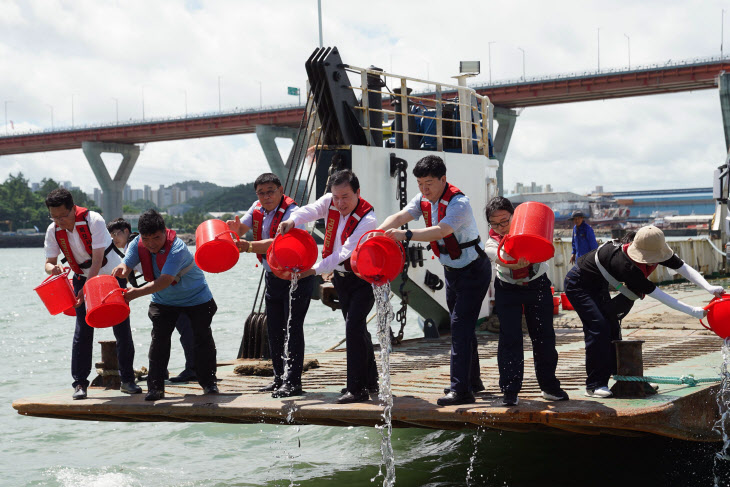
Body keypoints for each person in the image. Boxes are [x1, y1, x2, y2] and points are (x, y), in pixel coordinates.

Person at [378, 155, 489, 406]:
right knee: (462, 326)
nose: (424, 189)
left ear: (443, 179)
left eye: (429, 183)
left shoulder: (459, 203)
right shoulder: (423, 200)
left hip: (473, 270)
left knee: (459, 327)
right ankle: (473, 381)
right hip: (452, 271)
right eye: (420, 184)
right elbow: (399, 217)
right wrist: (378, 234)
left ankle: (460, 391)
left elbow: (441, 232)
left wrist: (405, 235)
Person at [564, 225, 724, 398]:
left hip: (598, 284)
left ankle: (627, 379)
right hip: (578, 284)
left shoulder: (654, 248)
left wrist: (709, 287)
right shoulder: (626, 266)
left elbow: (683, 267)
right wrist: (692, 311)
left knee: (613, 328)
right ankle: (594, 385)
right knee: (598, 327)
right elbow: (659, 295)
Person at [278, 169, 378, 404]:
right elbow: (311, 210)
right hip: (342, 279)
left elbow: (343, 254)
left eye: (345, 197)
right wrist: (293, 220)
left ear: (358, 193)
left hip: (363, 278)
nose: (340, 203)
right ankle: (370, 381)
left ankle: (357, 388)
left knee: (353, 328)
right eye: (335, 197)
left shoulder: (367, 219)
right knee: (358, 329)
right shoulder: (331, 201)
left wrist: (312, 270)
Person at [43, 188, 141, 399]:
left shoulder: (93, 220)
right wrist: (54, 269)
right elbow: (48, 263)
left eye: (63, 215)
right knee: (83, 331)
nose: (59, 220)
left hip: (111, 274)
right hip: (81, 277)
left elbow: (97, 259)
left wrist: (88, 290)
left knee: (121, 327)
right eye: (54, 216)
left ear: (73, 209)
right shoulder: (53, 230)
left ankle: (127, 380)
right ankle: (79, 383)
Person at [112, 209, 219, 401]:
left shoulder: (177, 249)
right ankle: (156, 388)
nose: (151, 244)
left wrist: (136, 294)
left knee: (202, 341)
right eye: (146, 238)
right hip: (164, 302)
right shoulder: (137, 243)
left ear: (165, 232)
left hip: (196, 299)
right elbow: (127, 263)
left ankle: (209, 384)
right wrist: (123, 268)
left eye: (156, 238)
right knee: (159, 342)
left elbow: (164, 281)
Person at [226, 173, 315, 398]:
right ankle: (278, 379)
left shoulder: (293, 213)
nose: (266, 197)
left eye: (270, 191)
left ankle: (293, 382)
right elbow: (240, 230)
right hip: (273, 276)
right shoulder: (256, 208)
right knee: (275, 329)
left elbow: (278, 243)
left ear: (281, 189)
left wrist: (248, 246)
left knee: (292, 329)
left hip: (296, 277)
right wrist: (233, 231)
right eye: (261, 192)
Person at [484, 197, 568, 406]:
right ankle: (510, 391)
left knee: (544, 337)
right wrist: (516, 261)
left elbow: (544, 249)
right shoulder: (491, 243)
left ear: (515, 216)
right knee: (509, 339)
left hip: (537, 285)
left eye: (505, 221)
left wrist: (531, 250)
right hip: (507, 288)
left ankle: (549, 386)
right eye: (495, 224)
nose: (501, 227)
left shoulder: (530, 231)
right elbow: (503, 258)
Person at [108, 218, 197, 383]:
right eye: (110, 235)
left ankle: (192, 370)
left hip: (179, 292)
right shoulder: (134, 247)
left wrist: (133, 292)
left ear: (126, 232)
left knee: (184, 330)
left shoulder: (136, 245)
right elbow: (126, 269)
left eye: (115, 233)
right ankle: (161, 372)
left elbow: (160, 278)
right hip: (162, 294)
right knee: (162, 335)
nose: (113, 238)